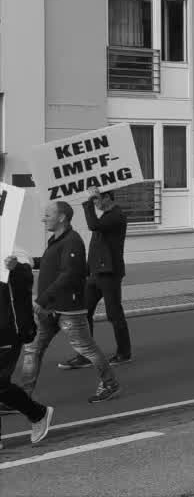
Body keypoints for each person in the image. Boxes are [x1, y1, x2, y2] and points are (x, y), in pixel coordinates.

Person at [19, 202, 121, 404]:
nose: (43, 218)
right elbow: (55, 264)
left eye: (48, 214)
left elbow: (69, 274)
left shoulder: (73, 241)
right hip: (49, 309)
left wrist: (41, 299)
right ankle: (21, 397)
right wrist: (30, 262)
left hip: (68, 310)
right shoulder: (57, 240)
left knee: (87, 349)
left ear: (62, 217)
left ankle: (110, 384)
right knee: (32, 350)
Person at [59, 188, 131, 370]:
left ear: (107, 197)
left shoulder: (116, 215)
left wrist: (88, 202)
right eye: (94, 201)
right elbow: (97, 246)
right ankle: (84, 355)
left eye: (97, 200)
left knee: (114, 314)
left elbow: (93, 225)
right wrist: (86, 270)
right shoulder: (106, 217)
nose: (96, 203)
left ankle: (124, 353)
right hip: (94, 274)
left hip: (110, 274)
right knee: (83, 314)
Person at [2, 253, 54, 447]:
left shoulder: (10, 245)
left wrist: (15, 268)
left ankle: (38, 413)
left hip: (8, 330)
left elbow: (26, 278)